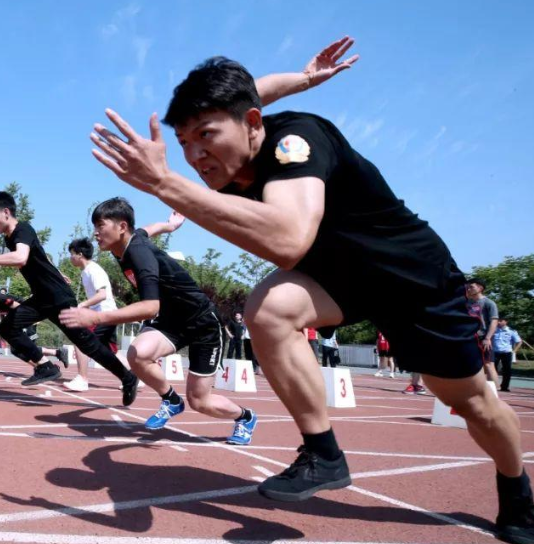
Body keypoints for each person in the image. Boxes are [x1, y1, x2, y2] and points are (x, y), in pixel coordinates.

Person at [90, 37, 534, 541]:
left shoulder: (295, 140)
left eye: (206, 136)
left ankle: (516, 488)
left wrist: (164, 183)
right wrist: (303, 78)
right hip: (338, 280)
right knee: (268, 308)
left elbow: (288, 239)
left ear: (251, 123)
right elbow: (252, 94)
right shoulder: (232, 146)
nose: (194, 155)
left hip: (412, 282)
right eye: (184, 141)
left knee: (473, 403)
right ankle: (323, 453)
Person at [61, 200, 257, 445]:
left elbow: (150, 307)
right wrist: (169, 225)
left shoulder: (139, 254)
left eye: (100, 226)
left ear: (121, 227)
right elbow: (146, 230)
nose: (95, 233)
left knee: (199, 401)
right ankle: (171, 399)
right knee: (138, 354)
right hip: (171, 321)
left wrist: (96, 317)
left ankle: (245, 417)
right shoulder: (125, 244)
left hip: (202, 323)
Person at [0, 192, 138, 402]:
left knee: (88, 344)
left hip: (58, 298)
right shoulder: (10, 238)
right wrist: (56, 271)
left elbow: (21, 257)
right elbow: (40, 255)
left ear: (6, 212)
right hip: (42, 298)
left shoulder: (23, 229)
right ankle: (45, 366)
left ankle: (127, 377)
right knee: (7, 328)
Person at [63, 236, 122, 392]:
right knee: (111, 352)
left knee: (81, 341)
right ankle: (135, 377)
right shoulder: (86, 271)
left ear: (80, 254)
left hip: (105, 314)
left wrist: (82, 305)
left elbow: (102, 295)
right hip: (105, 314)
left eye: (72, 254)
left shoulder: (93, 270)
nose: (70, 257)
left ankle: (82, 379)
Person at [0, 278, 67, 363]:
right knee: (17, 349)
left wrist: (24, 321)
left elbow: (18, 306)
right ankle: (53, 357)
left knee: (19, 348)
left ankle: (46, 365)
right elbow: (2, 312)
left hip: (28, 314)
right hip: (21, 318)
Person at [467, 277, 500, 384]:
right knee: (474, 365)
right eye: (467, 287)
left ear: (480, 288)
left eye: (471, 287)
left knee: (488, 364)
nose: (468, 289)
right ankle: (479, 389)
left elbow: (494, 321)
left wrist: (488, 338)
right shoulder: (468, 303)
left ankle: (495, 390)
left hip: (484, 337)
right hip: (471, 337)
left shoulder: (489, 303)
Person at [493, 318, 522, 393]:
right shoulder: (494, 330)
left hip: (506, 352)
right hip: (495, 352)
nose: (498, 322)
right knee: (492, 369)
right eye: (498, 321)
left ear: (506, 322)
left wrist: (514, 351)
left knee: (507, 370)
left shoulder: (511, 331)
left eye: (500, 321)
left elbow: (519, 341)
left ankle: (504, 386)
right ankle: (493, 386)